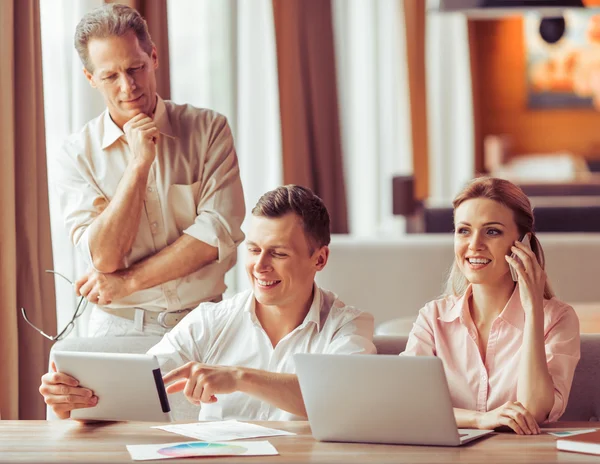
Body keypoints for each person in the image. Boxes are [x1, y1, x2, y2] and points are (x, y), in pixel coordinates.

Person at [39, 185, 376, 420]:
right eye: (254, 249)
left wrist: (240, 378)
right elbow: (138, 388)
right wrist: (71, 403)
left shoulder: (347, 325)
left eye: (279, 253)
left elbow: (341, 399)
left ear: (319, 259)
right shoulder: (211, 321)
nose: (260, 267)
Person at [54, 4, 245, 337]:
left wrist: (128, 282)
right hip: (119, 329)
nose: (128, 86)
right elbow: (104, 257)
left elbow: (215, 236)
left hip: (206, 325)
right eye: (110, 76)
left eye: (136, 68)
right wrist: (139, 164)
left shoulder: (209, 129)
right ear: (90, 79)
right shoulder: (75, 155)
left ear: (154, 57)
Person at [402, 177, 580, 435]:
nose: (474, 244)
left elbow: (533, 409)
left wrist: (533, 313)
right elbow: (406, 405)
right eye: (464, 230)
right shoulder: (433, 318)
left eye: (492, 231)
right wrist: (478, 419)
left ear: (524, 243)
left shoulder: (558, 319)